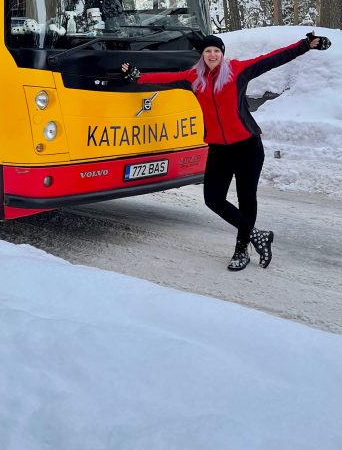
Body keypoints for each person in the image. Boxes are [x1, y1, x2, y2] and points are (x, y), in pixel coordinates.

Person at [122, 31, 331, 271]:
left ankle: (241, 250)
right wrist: (138, 78)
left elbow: (273, 58)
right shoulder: (193, 78)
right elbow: (167, 78)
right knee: (213, 198)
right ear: (202, 55)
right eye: (208, 51)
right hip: (219, 148)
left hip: (247, 146)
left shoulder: (238, 71)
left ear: (222, 54)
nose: (212, 55)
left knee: (246, 198)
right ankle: (257, 235)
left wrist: (305, 45)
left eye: (216, 51)